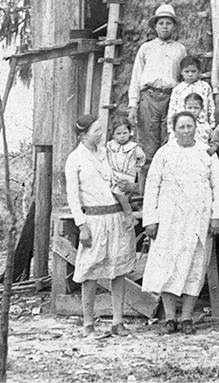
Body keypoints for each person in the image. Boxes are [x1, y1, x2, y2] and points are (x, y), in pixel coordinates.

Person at [142, 111, 219, 334]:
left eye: (190, 126)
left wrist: (216, 215)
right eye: (182, 127)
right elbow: (152, 186)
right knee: (168, 267)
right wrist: (150, 219)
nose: (186, 131)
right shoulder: (164, 153)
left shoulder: (206, 153)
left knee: (195, 267)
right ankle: (170, 318)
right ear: (174, 129)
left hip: (198, 220)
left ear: (196, 128)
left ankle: (187, 317)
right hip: (169, 220)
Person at [65, 114, 136, 337]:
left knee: (119, 270)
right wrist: (81, 226)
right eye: (96, 130)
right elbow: (72, 197)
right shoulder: (75, 159)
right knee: (90, 271)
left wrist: (129, 187)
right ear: (83, 135)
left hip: (116, 217)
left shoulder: (107, 153)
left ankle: (117, 321)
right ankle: (88, 323)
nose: (100, 133)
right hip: (93, 220)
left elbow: (123, 180)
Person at [127, 3, 187, 181]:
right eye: (161, 23)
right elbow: (136, 77)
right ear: (155, 26)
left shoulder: (180, 49)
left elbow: (184, 78)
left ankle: (166, 188)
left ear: (174, 26)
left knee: (169, 143)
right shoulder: (146, 48)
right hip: (148, 99)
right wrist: (133, 105)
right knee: (147, 145)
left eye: (168, 23)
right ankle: (146, 190)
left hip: (170, 98)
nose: (164, 27)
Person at [105, 115, 145, 216]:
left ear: (129, 132)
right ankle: (120, 207)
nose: (122, 136)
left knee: (125, 192)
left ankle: (127, 207)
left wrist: (137, 168)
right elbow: (106, 157)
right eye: (118, 134)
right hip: (114, 173)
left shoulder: (133, 148)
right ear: (113, 134)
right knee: (115, 191)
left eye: (125, 133)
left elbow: (141, 157)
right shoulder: (110, 146)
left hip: (128, 174)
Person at [166, 55, 215, 135]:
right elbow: (172, 111)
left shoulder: (205, 87)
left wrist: (211, 126)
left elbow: (211, 108)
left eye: (193, 71)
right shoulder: (177, 90)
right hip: (183, 128)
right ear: (181, 72)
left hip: (202, 128)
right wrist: (171, 130)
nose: (190, 74)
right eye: (187, 71)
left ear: (199, 71)